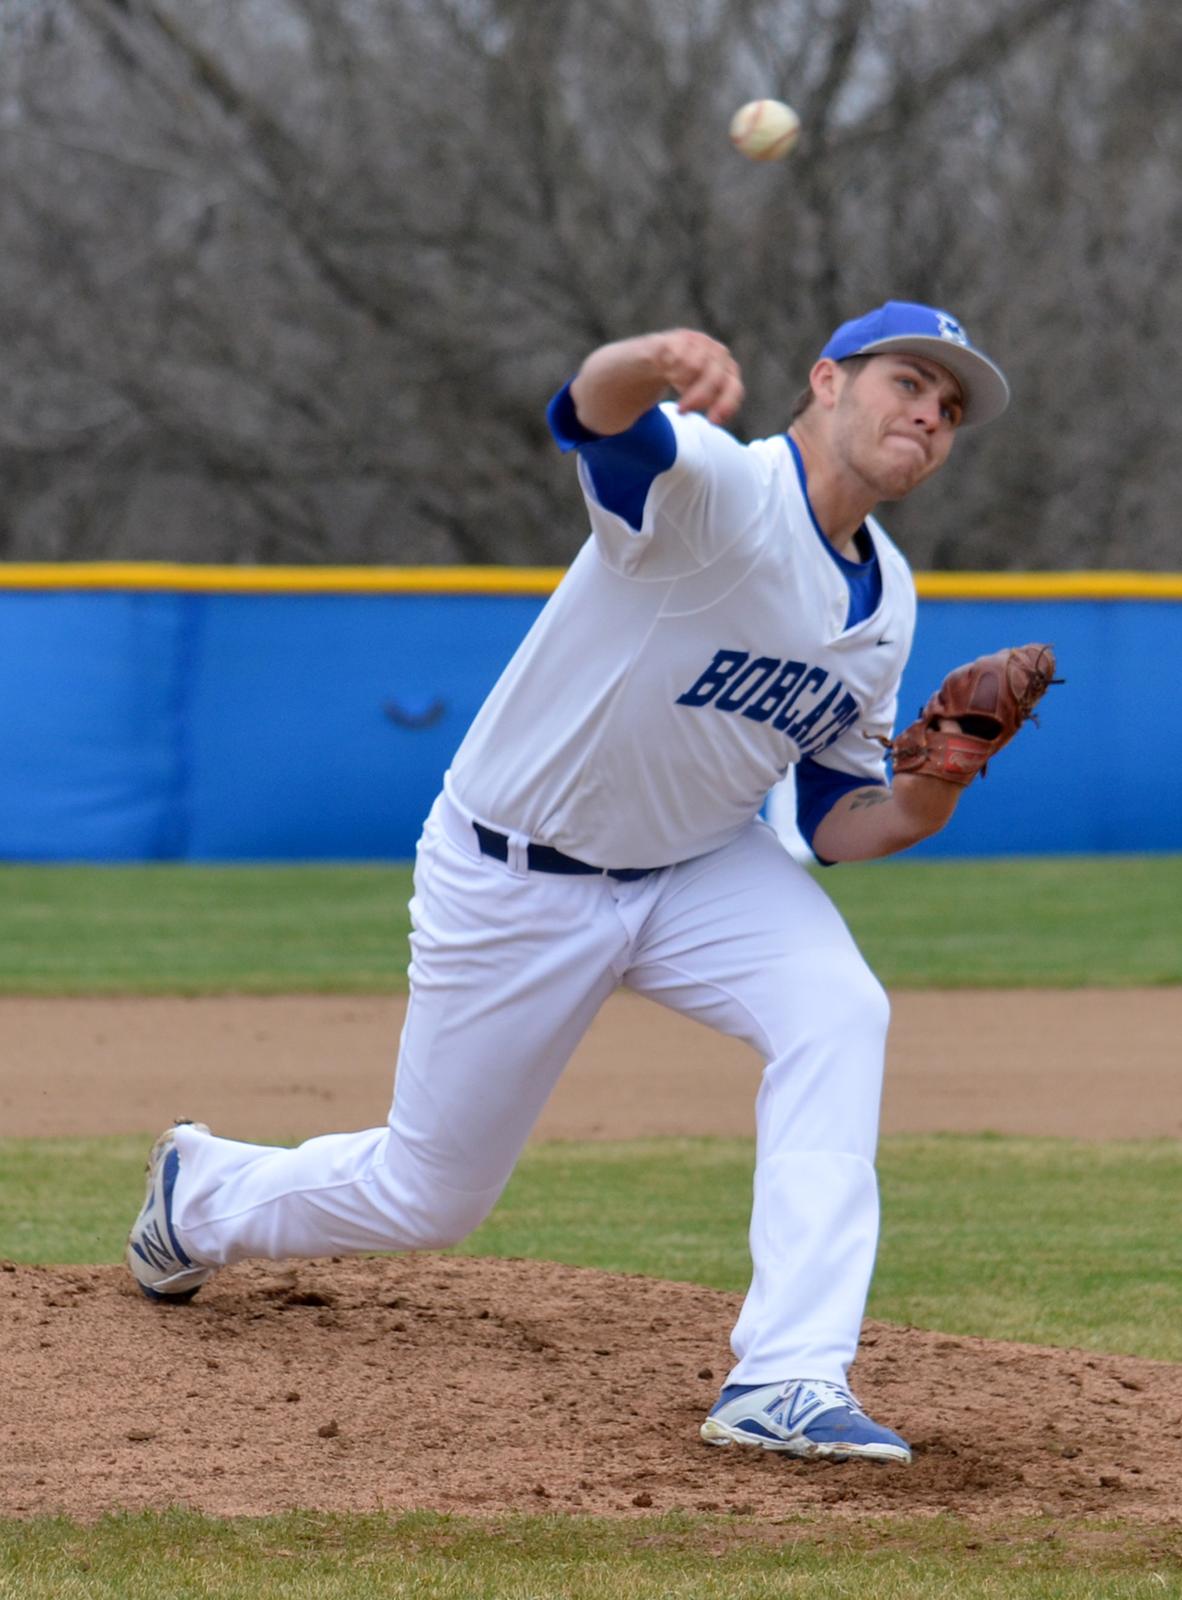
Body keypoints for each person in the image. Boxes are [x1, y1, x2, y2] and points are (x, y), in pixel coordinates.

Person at [128, 300, 1013, 1466]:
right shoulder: (714, 483)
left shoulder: (887, 597)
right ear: (828, 382)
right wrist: (651, 361)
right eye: (910, 381)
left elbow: (832, 822)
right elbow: (595, 416)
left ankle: (788, 1374)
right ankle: (200, 1194)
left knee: (841, 1011)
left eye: (949, 408)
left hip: (700, 862)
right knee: (429, 1197)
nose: (930, 414)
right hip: (518, 871)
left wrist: (936, 790)